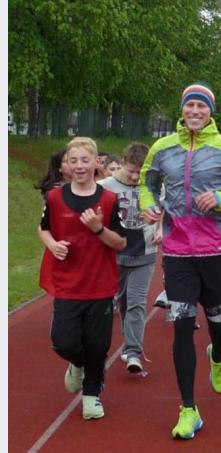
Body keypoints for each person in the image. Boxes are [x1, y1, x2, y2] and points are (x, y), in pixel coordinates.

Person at [139, 82, 221, 439]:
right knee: (180, 326)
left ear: (210, 111)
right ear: (182, 109)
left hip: (216, 250)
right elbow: (147, 183)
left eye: (201, 106)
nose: (194, 111)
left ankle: (217, 354)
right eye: (189, 105)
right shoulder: (162, 148)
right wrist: (149, 205)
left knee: (218, 323)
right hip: (178, 252)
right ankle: (188, 409)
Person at [38, 136, 127, 420]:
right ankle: (77, 363)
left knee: (98, 345)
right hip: (67, 284)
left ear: (95, 163)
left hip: (100, 284)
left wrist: (98, 228)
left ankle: (91, 396)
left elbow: (121, 242)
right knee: (63, 342)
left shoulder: (109, 199)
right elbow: (43, 228)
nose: (79, 166)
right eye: (73, 160)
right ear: (65, 164)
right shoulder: (54, 197)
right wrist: (52, 244)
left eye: (85, 160)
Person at [99, 143, 159, 374]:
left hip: (145, 252)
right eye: (132, 171)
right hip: (115, 254)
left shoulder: (153, 185)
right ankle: (125, 338)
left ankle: (133, 352)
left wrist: (162, 228)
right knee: (122, 301)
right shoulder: (105, 187)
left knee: (136, 302)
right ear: (122, 163)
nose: (135, 177)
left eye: (140, 173)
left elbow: (166, 208)